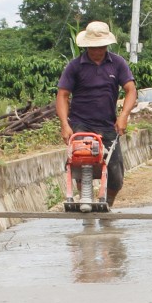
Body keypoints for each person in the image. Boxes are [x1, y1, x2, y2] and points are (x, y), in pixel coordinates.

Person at [56, 21, 138, 208]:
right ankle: (85, 197)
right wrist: (64, 124)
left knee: (115, 175)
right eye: (92, 47)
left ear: (106, 45)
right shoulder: (75, 66)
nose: (97, 51)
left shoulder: (117, 63)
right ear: (86, 46)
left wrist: (123, 115)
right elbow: (63, 95)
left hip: (108, 125)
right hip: (80, 124)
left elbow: (130, 90)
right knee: (80, 162)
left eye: (100, 47)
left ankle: (106, 204)